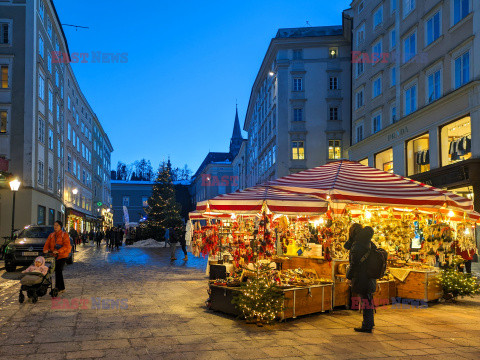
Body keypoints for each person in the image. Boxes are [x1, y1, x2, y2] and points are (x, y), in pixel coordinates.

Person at [345, 223, 376, 333]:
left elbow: (354, 264)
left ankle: (367, 326)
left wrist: (349, 277)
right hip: (370, 276)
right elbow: (347, 246)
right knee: (368, 300)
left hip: (362, 277)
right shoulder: (368, 242)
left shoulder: (357, 245)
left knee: (365, 301)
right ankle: (369, 323)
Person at [43, 221, 72, 294]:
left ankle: (58, 288)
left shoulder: (64, 235)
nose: (55, 227)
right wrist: (45, 250)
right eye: (54, 225)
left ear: (60, 227)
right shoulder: (51, 235)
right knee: (55, 271)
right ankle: (61, 288)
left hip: (62, 256)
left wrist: (59, 251)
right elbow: (47, 244)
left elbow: (66, 246)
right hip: (53, 256)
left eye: (57, 225)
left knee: (58, 270)